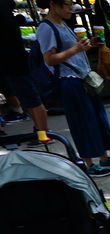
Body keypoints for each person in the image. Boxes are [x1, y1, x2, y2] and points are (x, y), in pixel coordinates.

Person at [36, 0, 110, 177]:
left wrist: (88, 44)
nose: (71, 8)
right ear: (54, 4)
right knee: (82, 121)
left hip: (82, 78)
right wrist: (76, 49)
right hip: (69, 81)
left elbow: (71, 50)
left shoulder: (62, 23)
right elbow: (49, 59)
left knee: (98, 118)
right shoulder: (46, 28)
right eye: (67, 4)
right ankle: (89, 164)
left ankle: (104, 158)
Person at [0, 0, 51, 143]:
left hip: (13, 62)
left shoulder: (5, 18)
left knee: (31, 99)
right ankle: (40, 132)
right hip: (13, 61)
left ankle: (43, 134)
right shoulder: (7, 15)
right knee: (28, 100)